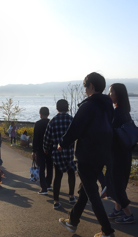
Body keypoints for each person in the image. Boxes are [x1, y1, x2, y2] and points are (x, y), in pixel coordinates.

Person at [57, 72, 115, 237]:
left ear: (91, 86)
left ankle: (108, 232)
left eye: (85, 86)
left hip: (87, 155)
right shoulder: (107, 105)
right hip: (101, 154)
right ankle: (72, 222)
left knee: (92, 194)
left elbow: (75, 128)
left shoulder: (88, 105)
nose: (84, 90)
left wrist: (62, 143)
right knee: (85, 189)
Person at [107, 83, 134, 224]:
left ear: (118, 94)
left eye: (111, 92)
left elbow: (110, 132)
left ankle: (128, 214)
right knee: (119, 183)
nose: (108, 94)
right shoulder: (124, 111)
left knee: (115, 184)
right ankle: (118, 209)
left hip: (117, 154)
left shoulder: (117, 112)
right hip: (125, 153)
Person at [46, 99, 77, 209]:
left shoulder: (53, 121)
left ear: (57, 108)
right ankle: (71, 196)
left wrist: (46, 149)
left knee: (58, 176)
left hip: (57, 153)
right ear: (67, 107)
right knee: (71, 173)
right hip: (70, 153)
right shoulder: (72, 120)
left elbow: (47, 137)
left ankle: (56, 201)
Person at [33, 107, 53, 195]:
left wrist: (34, 151)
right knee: (50, 166)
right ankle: (48, 183)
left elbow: (35, 138)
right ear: (48, 114)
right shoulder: (51, 122)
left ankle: (43, 188)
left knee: (41, 167)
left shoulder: (38, 124)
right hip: (50, 148)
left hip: (40, 149)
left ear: (40, 114)